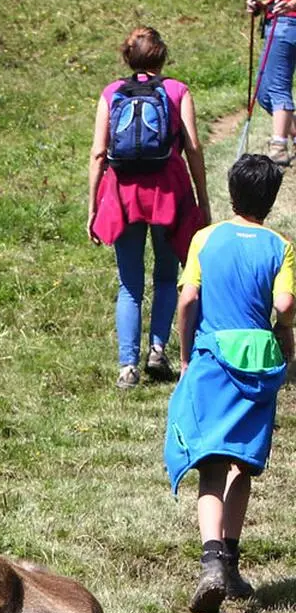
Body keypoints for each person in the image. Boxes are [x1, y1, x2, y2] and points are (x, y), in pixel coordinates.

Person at [163, 154, 294, 613]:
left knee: (211, 467)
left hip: (212, 359)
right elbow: (284, 303)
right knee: (243, 466)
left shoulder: (205, 238)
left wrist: (183, 357)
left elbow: (189, 299)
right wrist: (284, 336)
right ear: (273, 199)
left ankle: (212, 563)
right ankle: (232, 564)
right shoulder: (281, 245)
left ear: (231, 191)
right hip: (257, 365)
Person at [87, 26, 211, 388]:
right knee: (165, 276)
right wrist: (202, 201)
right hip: (167, 191)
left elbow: (98, 153)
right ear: (162, 57)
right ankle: (157, 349)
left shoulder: (112, 93)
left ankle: (127, 366)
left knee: (129, 284)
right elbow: (193, 148)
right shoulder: (177, 90)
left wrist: (94, 205)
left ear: (129, 58)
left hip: (123, 192)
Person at [247, 0, 296, 165]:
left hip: (289, 24)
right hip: (275, 22)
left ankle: (279, 147)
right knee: (264, 92)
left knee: (277, 86)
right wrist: (260, 6)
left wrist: (290, 5)